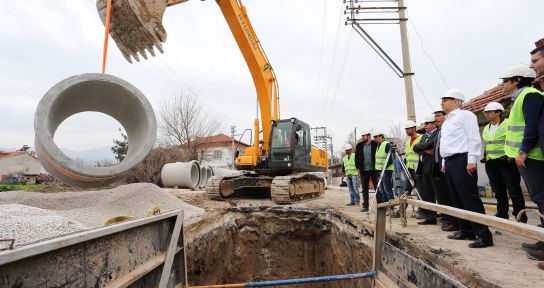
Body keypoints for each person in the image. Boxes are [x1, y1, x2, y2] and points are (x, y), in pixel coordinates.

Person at [499, 64, 544, 260]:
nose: (502, 85)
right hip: (526, 157)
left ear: (517, 80)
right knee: (539, 199)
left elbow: (532, 125)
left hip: (533, 156)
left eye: (505, 81)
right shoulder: (520, 98)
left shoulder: (530, 95)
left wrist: (524, 151)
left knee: (542, 198)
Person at [440, 89, 493, 248]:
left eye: (445, 99)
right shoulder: (447, 120)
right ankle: (467, 230)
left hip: (462, 159)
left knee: (469, 198)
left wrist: (471, 160)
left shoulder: (466, 116)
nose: (441, 103)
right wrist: (444, 162)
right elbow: (446, 143)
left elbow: (473, 139)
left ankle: (484, 235)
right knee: (456, 198)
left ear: (456, 101)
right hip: (450, 161)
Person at [481, 102, 526, 222]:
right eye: (485, 113)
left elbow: (517, 140)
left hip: (506, 162)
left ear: (498, 112)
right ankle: (502, 214)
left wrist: (512, 156)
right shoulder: (486, 128)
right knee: (498, 191)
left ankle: (520, 216)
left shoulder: (508, 124)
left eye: (489, 112)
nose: (486, 114)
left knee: (513, 189)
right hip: (491, 162)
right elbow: (488, 144)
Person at [433, 106, 459, 231]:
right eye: (435, 116)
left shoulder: (450, 128)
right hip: (440, 165)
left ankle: (455, 221)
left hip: (451, 163)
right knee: (443, 195)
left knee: (451, 195)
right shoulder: (439, 131)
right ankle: (449, 220)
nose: (436, 119)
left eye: (438, 116)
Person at [413, 115, 440, 225]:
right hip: (424, 168)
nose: (425, 126)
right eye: (425, 124)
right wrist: (425, 151)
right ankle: (430, 217)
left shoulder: (438, 134)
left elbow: (430, 144)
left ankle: (447, 218)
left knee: (439, 193)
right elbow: (416, 148)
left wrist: (422, 147)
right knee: (427, 194)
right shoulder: (424, 136)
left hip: (434, 168)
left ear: (434, 123)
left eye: (428, 124)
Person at [355, 131, 378, 212]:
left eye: (364, 136)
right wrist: (357, 167)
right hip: (363, 170)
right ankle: (365, 206)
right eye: (362, 136)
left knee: (377, 187)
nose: (362, 137)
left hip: (374, 170)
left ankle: (380, 205)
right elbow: (356, 157)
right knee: (364, 189)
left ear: (368, 136)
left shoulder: (375, 144)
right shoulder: (359, 145)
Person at [374, 131, 394, 203]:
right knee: (382, 189)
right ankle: (385, 205)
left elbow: (391, 158)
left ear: (381, 136)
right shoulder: (378, 146)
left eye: (376, 137)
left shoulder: (386, 144)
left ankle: (391, 206)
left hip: (386, 170)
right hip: (379, 171)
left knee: (387, 189)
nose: (375, 138)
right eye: (374, 137)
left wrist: (385, 166)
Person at [403, 120, 422, 193]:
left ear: (414, 128)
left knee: (420, 189)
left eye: (408, 129)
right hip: (409, 168)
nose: (406, 131)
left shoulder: (421, 138)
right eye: (406, 129)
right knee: (407, 190)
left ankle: (421, 203)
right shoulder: (408, 141)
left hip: (418, 168)